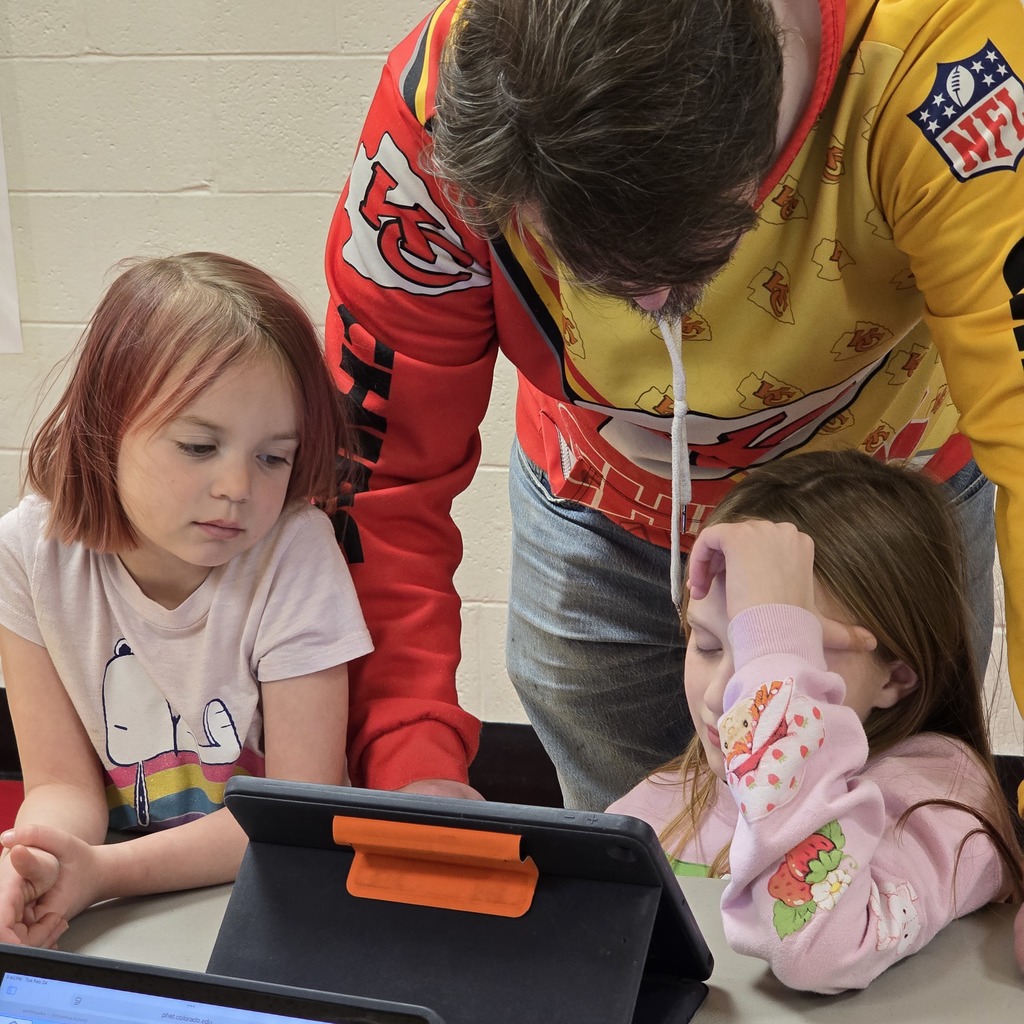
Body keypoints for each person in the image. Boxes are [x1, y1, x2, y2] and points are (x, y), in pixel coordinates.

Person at [324, 0, 1024, 820]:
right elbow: (379, 468)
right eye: (577, 259)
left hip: (881, 515)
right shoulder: (436, 111)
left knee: (909, 848)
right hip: (599, 505)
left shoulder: (954, 67)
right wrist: (410, 762)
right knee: (635, 869)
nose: (651, 306)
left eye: (684, 259)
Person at [0, 253, 375, 947]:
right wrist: (39, 862)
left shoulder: (294, 551)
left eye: (273, 457)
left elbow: (297, 813)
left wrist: (101, 872)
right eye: (200, 446)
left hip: (276, 893)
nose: (238, 487)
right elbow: (62, 788)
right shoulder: (27, 552)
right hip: (121, 895)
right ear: (106, 426)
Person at [608, 450, 1024, 992]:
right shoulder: (666, 801)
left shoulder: (937, 799)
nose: (721, 697)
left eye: (785, 657)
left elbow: (815, 949)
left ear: (896, 676)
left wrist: (774, 652)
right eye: (707, 644)